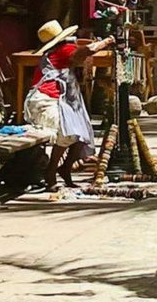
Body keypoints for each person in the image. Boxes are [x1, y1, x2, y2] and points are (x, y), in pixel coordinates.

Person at [24, 20, 114, 192]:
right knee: (68, 133)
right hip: (46, 100)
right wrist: (107, 42)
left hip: (57, 100)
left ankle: (64, 168)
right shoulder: (63, 50)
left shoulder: (58, 50)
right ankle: (51, 171)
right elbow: (87, 51)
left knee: (81, 134)